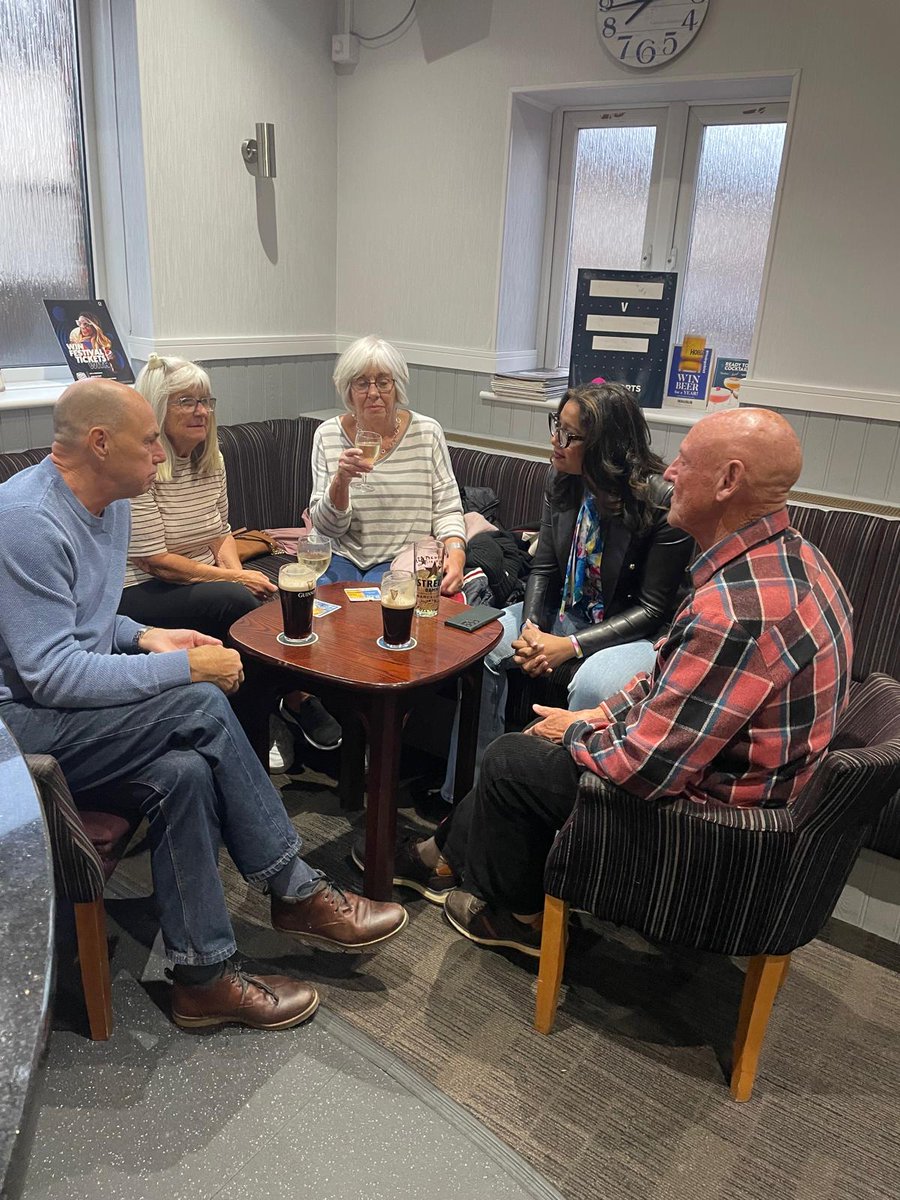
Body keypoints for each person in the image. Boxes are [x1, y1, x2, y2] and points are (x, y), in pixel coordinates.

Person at [0, 379, 408, 1030]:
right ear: (99, 444)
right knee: (197, 704)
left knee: (182, 773)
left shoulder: (111, 503)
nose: (159, 455)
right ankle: (293, 888)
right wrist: (183, 665)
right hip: (17, 733)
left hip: (62, 713)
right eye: (147, 441)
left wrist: (143, 635)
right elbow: (50, 673)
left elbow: (87, 622)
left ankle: (203, 978)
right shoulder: (24, 520)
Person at [381, 408, 854, 951]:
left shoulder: (736, 612)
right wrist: (598, 715)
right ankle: (444, 855)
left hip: (717, 830)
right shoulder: (800, 558)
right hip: (744, 791)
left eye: (687, 461)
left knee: (514, 759)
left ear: (729, 481)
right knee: (529, 715)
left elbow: (647, 769)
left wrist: (576, 733)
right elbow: (665, 670)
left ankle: (520, 920)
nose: (670, 472)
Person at [436, 382, 694, 807]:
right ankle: (465, 800)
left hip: (635, 633)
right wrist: (533, 626)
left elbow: (653, 609)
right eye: (557, 425)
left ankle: (568, 821)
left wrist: (568, 646)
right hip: (562, 614)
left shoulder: (662, 503)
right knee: (474, 644)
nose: (555, 441)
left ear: (606, 445)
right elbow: (544, 567)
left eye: (569, 435)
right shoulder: (564, 480)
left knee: (594, 684)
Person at [118, 353, 276, 641]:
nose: (201, 411)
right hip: (141, 587)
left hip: (201, 577)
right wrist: (238, 580)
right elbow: (157, 562)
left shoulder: (212, 458)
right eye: (186, 401)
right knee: (235, 601)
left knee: (249, 597)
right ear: (157, 409)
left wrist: (240, 579)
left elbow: (221, 534)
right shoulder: (139, 467)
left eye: (205, 401)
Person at [309, 335, 467, 591]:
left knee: (378, 608)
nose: (373, 393)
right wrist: (341, 482)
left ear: (397, 387)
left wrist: (457, 556)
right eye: (362, 383)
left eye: (383, 382)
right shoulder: (327, 435)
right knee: (322, 605)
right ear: (348, 390)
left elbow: (447, 509)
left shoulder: (427, 432)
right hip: (342, 556)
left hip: (402, 559)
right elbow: (327, 529)